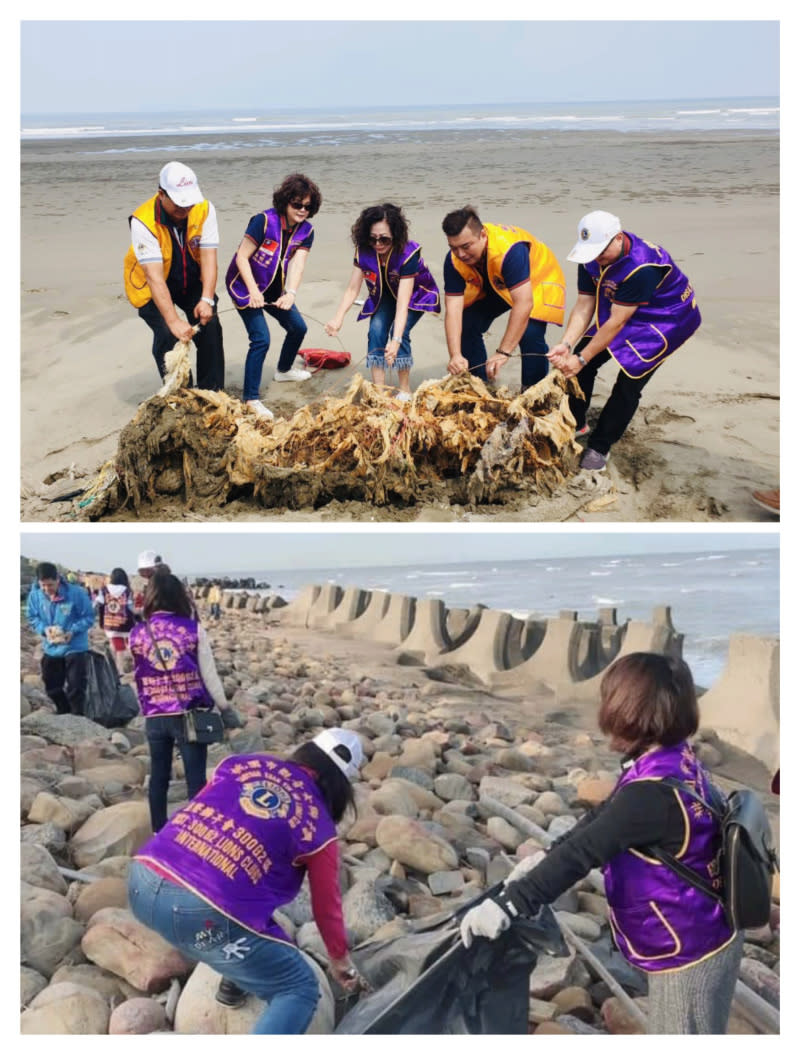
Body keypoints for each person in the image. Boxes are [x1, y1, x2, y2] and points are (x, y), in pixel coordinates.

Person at [459, 652, 743, 1035]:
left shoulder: (651, 795)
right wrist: (545, 854)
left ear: (630, 709)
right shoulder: (673, 760)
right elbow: (602, 820)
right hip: (709, 925)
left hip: (691, 949)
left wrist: (509, 905)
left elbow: (584, 853)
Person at [127, 728, 365, 1033]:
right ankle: (247, 979)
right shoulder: (319, 830)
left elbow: (195, 810)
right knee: (298, 989)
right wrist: (340, 959)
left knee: (260, 916)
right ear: (341, 785)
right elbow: (326, 906)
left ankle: (235, 982)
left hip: (142, 879)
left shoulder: (238, 765)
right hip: (202, 915)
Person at [547, 211, 702, 472]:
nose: (596, 258)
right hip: (623, 308)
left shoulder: (642, 267)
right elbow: (585, 304)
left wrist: (582, 358)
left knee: (628, 383)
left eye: (600, 251)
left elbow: (617, 322)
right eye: (591, 252)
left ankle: (600, 445)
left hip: (664, 318)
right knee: (579, 364)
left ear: (618, 238)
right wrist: (567, 345)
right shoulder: (589, 257)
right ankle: (577, 421)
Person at [128, 567, 243, 834]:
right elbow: (209, 675)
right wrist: (224, 708)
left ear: (151, 597)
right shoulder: (193, 630)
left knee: (158, 776)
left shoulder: (137, 633)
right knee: (195, 779)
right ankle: (196, 832)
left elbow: (135, 672)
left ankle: (158, 830)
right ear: (179, 597)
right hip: (189, 714)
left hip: (154, 716)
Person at [225, 173, 322, 420]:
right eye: (297, 204)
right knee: (261, 339)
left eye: (307, 206)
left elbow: (298, 264)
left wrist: (290, 293)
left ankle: (284, 369)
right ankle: (251, 399)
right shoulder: (263, 221)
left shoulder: (306, 231)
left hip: (274, 289)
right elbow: (241, 257)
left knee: (298, 327)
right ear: (285, 201)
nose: (302, 210)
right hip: (245, 286)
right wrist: (253, 292)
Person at [124, 161, 225, 391]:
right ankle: (179, 393)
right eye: (179, 205)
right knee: (168, 335)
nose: (185, 209)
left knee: (210, 327)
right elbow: (154, 277)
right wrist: (173, 321)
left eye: (189, 203)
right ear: (162, 194)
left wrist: (207, 299)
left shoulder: (203, 209)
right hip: (151, 283)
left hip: (189, 276)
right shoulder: (143, 221)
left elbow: (209, 258)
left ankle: (211, 391)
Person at [441, 206, 565, 390]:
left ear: (482, 235)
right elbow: (453, 310)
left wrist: (503, 352)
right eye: (454, 247)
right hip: (494, 280)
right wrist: (455, 355)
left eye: (466, 246)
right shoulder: (453, 260)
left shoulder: (510, 250)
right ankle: (479, 385)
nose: (461, 254)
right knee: (467, 323)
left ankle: (533, 392)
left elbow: (523, 303)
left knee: (530, 333)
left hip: (536, 279)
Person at [325, 203, 440, 400]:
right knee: (376, 330)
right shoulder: (364, 251)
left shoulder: (407, 253)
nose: (378, 244)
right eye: (372, 238)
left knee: (400, 330)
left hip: (414, 295)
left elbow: (403, 303)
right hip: (383, 293)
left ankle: (404, 390)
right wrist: (338, 318)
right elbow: (353, 288)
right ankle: (379, 391)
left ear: (395, 234)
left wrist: (395, 340)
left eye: (384, 239)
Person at [26, 562, 95, 716]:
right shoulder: (35, 595)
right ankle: (64, 711)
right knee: (51, 685)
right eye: (43, 585)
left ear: (58, 579)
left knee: (76, 686)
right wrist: (43, 629)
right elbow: (32, 616)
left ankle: (77, 716)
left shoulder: (76, 593)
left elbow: (89, 617)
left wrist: (73, 631)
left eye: (50, 585)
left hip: (75, 646)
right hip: (51, 647)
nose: (47, 589)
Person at [94, 567, 135, 673]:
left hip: (109, 623)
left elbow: (98, 604)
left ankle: (115, 670)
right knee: (125, 645)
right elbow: (130, 607)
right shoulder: (127, 591)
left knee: (115, 644)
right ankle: (122, 669)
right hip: (125, 623)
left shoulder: (104, 590)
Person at [132, 550, 164, 619]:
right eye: (142, 572)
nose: (146, 575)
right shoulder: (139, 583)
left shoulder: (168, 584)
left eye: (148, 571)